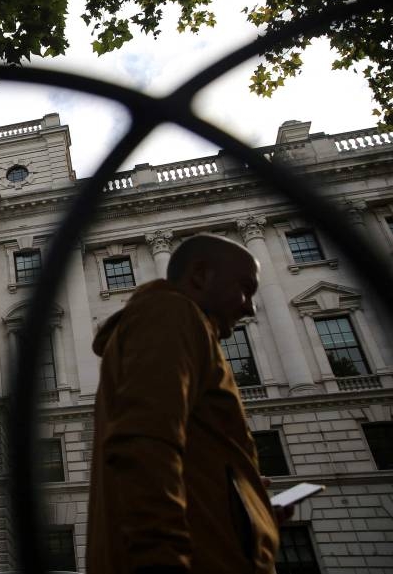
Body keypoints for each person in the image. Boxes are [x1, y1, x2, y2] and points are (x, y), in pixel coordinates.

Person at [86, 234, 280, 574]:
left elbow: (188, 466)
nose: (249, 305)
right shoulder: (171, 314)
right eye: (245, 287)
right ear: (201, 275)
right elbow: (145, 443)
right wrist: (162, 561)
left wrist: (251, 508)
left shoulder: (178, 324)